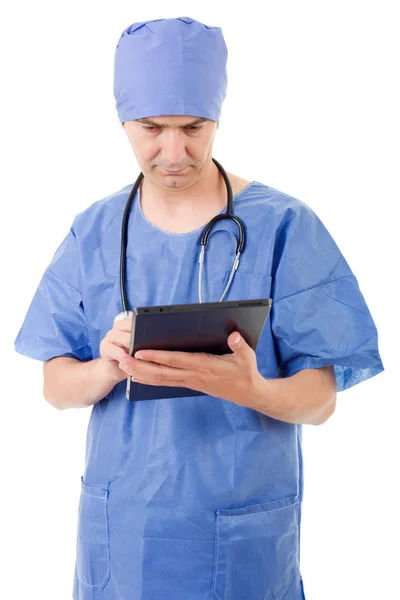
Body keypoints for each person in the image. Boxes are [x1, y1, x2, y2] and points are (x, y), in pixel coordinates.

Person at [14, 16, 384, 600]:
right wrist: (106, 367)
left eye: (193, 126)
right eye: (151, 128)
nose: (174, 151)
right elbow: (55, 386)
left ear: (218, 115)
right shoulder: (96, 231)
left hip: (243, 538)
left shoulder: (283, 227)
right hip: (124, 540)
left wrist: (252, 389)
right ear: (122, 120)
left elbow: (321, 400)